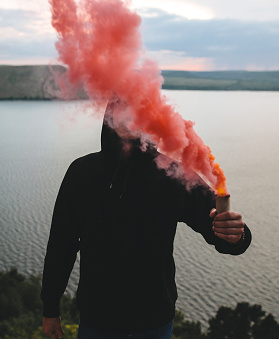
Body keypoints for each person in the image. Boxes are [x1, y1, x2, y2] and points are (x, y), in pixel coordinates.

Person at [41, 100, 252, 339]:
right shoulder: (81, 172)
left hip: (155, 324)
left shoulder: (173, 174)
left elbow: (220, 231)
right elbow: (62, 244)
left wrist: (236, 236)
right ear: (109, 114)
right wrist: (50, 308)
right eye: (122, 106)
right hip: (97, 321)